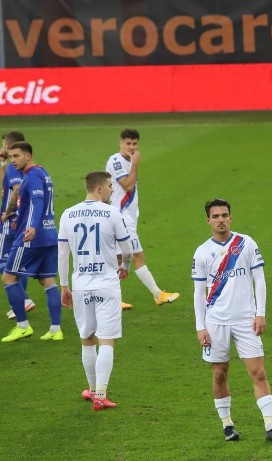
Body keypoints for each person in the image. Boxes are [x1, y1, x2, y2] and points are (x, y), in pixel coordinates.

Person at [191, 198, 272, 443]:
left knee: (258, 372)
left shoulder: (246, 244)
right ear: (208, 221)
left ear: (230, 218)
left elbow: (260, 279)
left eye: (224, 215)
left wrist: (260, 312)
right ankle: (227, 425)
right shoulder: (202, 252)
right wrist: (200, 327)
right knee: (219, 374)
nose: (221, 220)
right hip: (216, 323)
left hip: (246, 321)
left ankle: (271, 426)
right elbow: (198, 292)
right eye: (216, 216)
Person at [58, 171, 133, 410]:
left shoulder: (68, 214)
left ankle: (91, 390)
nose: (112, 190)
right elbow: (128, 250)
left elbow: (62, 254)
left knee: (87, 339)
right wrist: (125, 266)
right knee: (107, 340)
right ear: (99, 189)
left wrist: (64, 286)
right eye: (110, 186)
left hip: (80, 286)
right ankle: (101, 395)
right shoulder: (112, 212)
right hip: (107, 284)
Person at [105, 128, 179, 308]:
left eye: (135, 143)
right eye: (128, 143)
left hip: (127, 217)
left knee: (118, 259)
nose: (131, 147)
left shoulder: (127, 160)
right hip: (121, 218)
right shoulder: (116, 160)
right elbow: (128, 185)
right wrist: (135, 164)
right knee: (137, 255)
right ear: (120, 143)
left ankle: (111, 299)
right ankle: (157, 294)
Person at [1, 142, 63, 342]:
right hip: (49, 235)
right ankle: (55, 329)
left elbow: (37, 202)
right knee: (48, 281)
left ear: (27, 156)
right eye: (11, 157)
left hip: (31, 237)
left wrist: (32, 227)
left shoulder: (33, 176)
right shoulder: (43, 172)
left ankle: (22, 326)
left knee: (9, 278)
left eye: (16, 156)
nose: (13, 161)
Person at [1, 132, 36, 319]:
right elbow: (4, 186)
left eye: (4, 145)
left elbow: (14, 190)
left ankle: (23, 300)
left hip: (11, 220)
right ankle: (22, 301)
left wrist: (7, 213)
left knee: (4, 263)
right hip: (21, 220)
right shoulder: (15, 166)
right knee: (16, 262)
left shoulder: (16, 166)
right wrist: (2, 163)